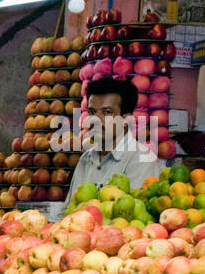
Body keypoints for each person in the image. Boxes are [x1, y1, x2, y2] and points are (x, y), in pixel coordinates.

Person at [66, 77, 165, 208]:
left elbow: (134, 217)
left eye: (107, 112)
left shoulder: (143, 161)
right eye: (91, 112)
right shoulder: (86, 159)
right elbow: (70, 209)